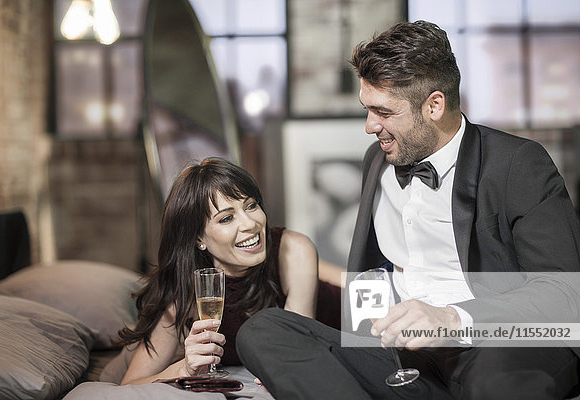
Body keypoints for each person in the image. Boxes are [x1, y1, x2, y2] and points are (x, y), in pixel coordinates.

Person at [236, 20, 580, 399]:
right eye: (368, 109)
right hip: (404, 357)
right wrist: (369, 332)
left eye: (384, 112)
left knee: (495, 380)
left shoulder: (517, 164)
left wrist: (452, 319)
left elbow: (564, 294)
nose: (370, 126)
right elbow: (373, 270)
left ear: (434, 105)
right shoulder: (378, 160)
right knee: (265, 330)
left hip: (494, 344)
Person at [117, 157, 319, 385]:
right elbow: (131, 383)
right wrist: (184, 367)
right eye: (227, 218)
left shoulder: (294, 249)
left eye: (251, 205)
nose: (250, 224)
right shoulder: (187, 290)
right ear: (198, 238)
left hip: (349, 331)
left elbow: (295, 350)